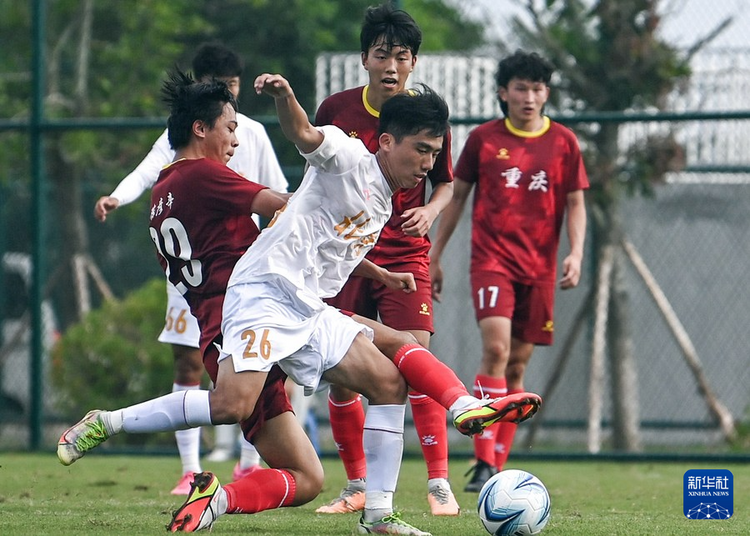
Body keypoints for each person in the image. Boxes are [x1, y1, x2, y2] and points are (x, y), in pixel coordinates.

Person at [58, 71, 541, 535]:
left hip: (292, 302)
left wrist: (375, 269)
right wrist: (287, 104)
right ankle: (107, 422)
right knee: (230, 404)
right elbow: (294, 178)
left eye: (434, 154)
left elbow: (317, 236)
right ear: (199, 128)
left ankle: (383, 494)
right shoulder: (211, 173)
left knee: (380, 389)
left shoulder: (163, 190)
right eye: (231, 127)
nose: (236, 140)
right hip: (259, 300)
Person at [93, 42, 289, 494]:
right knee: (202, 370)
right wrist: (118, 196)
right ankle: (189, 468)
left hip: (243, 269)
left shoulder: (250, 133)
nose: (234, 135)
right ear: (200, 119)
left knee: (252, 377)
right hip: (196, 276)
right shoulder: (185, 151)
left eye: (234, 90)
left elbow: (275, 192)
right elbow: (148, 172)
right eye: (222, 93)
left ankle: (246, 465)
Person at [314, 3, 460, 517]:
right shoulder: (335, 108)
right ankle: (356, 484)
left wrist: (432, 213)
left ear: (414, 62)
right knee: (341, 367)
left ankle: (439, 482)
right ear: (364, 59)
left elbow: (446, 183)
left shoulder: (429, 115)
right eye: (383, 55)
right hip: (345, 249)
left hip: (404, 248)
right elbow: (315, 176)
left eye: (402, 56)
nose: (392, 66)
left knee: (416, 356)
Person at [430, 50, 589, 492]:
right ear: (504, 92)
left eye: (538, 89)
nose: (530, 96)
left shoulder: (564, 143)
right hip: (492, 262)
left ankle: (498, 464)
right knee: (496, 351)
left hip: (539, 269)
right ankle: (482, 462)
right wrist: (435, 254)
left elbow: (576, 203)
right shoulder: (483, 139)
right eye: (521, 87)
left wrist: (575, 253)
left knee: (517, 367)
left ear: (546, 94)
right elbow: (457, 198)